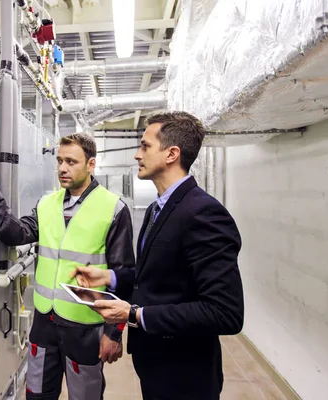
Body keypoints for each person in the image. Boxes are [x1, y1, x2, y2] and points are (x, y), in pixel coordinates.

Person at [72, 112, 244, 400]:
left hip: (185, 376)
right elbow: (158, 277)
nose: (137, 155)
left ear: (172, 154)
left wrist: (134, 314)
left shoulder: (203, 213)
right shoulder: (157, 209)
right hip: (155, 365)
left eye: (145, 146)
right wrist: (110, 276)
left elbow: (224, 312)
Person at [0, 133, 136, 400]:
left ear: (91, 165)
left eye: (71, 161)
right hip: (44, 323)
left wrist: (113, 333)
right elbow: (14, 234)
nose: (62, 168)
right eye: (59, 160)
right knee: (36, 394)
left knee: (85, 396)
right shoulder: (47, 203)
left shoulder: (113, 209)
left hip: (85, 327)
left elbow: (125, 275)